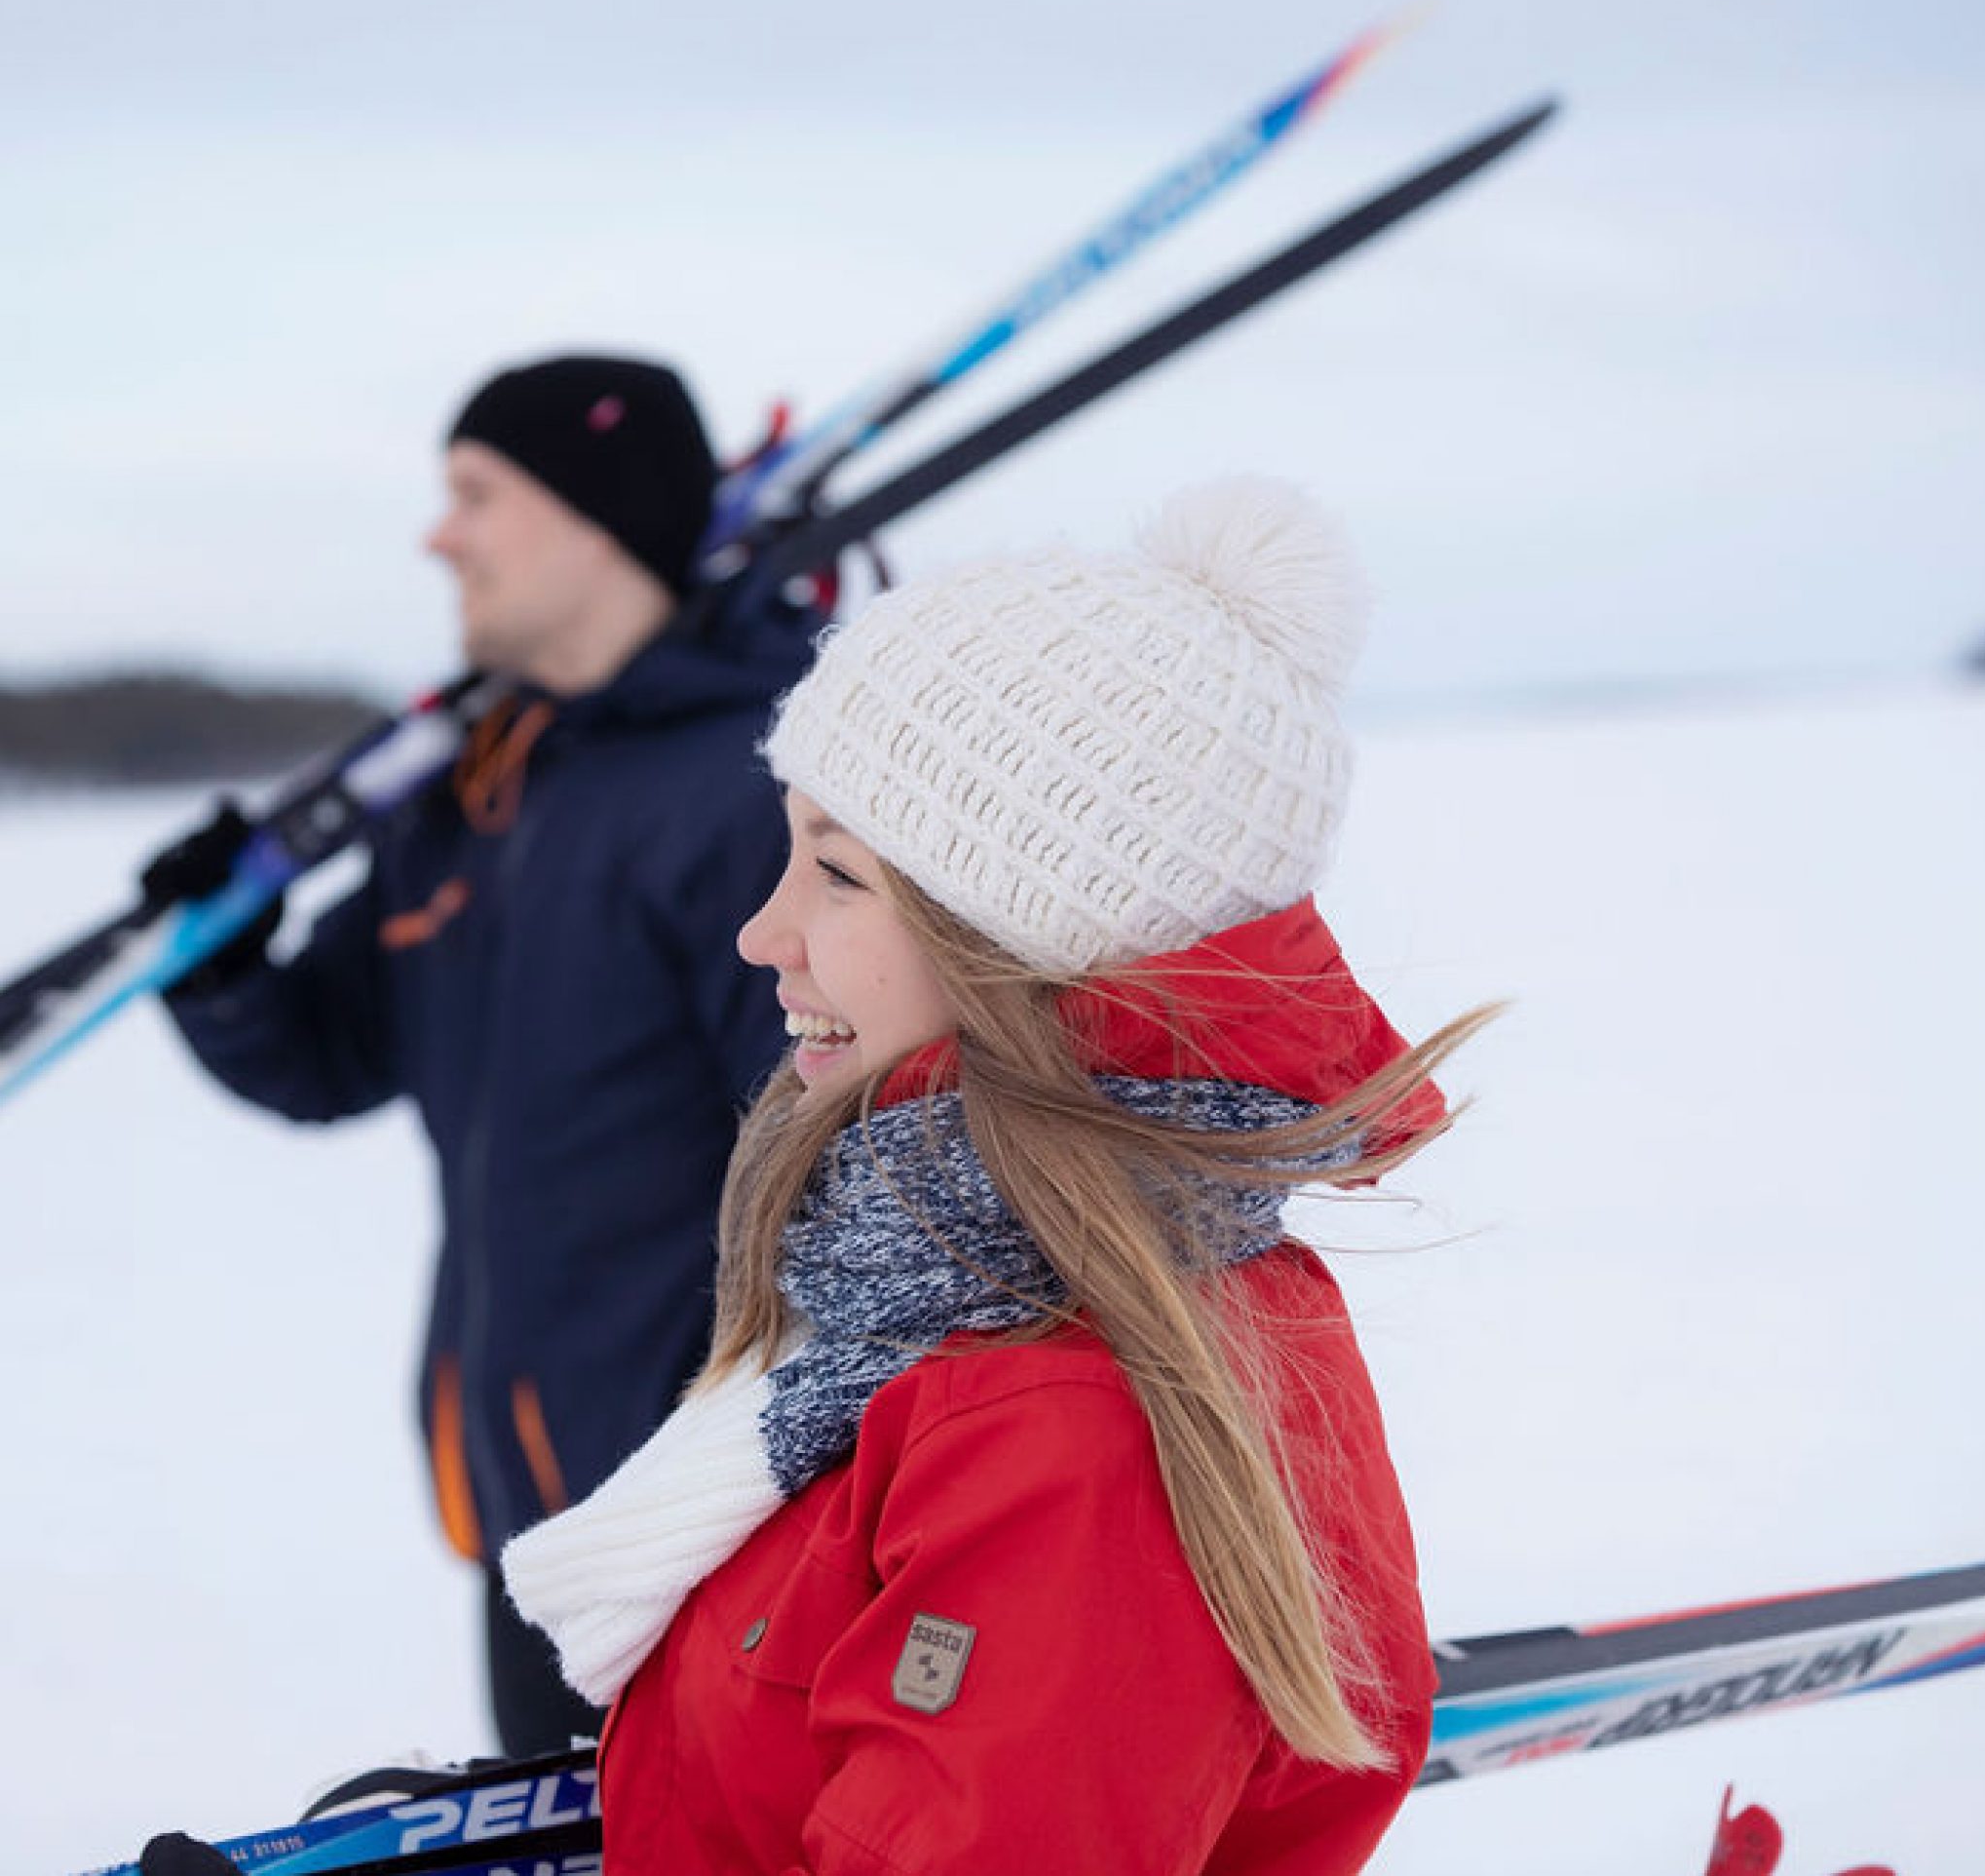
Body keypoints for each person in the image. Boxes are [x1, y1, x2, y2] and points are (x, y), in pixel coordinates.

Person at [502, 476, 1490, 1871]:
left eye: (837, 877)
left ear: (1019, 941)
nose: (762, 933)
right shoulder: (936, 1293)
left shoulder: (1065, 1415)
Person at [140, 355, 810, 1753]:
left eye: (475, 496)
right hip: (530, 1506)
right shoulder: (478, 791)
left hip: (707, 1538)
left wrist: (764, 1483)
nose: (439, 537)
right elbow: (330, 1056)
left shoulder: (751, 787)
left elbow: (835, 1173)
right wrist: (220, 963)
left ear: (593, 518)